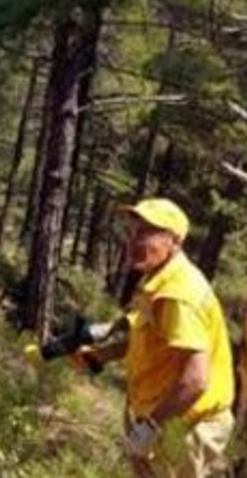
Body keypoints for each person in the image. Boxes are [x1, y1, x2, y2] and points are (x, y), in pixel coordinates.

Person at [74, 198, 235, 478]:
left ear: (174, 241)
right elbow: (148, 339)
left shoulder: (179, 294)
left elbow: (196, 380)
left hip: (186, 421)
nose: (135, 241)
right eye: (133, 232)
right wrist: (100, 356)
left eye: (148, 233)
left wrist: (150, 427)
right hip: (159, 412)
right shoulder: (155, 279)